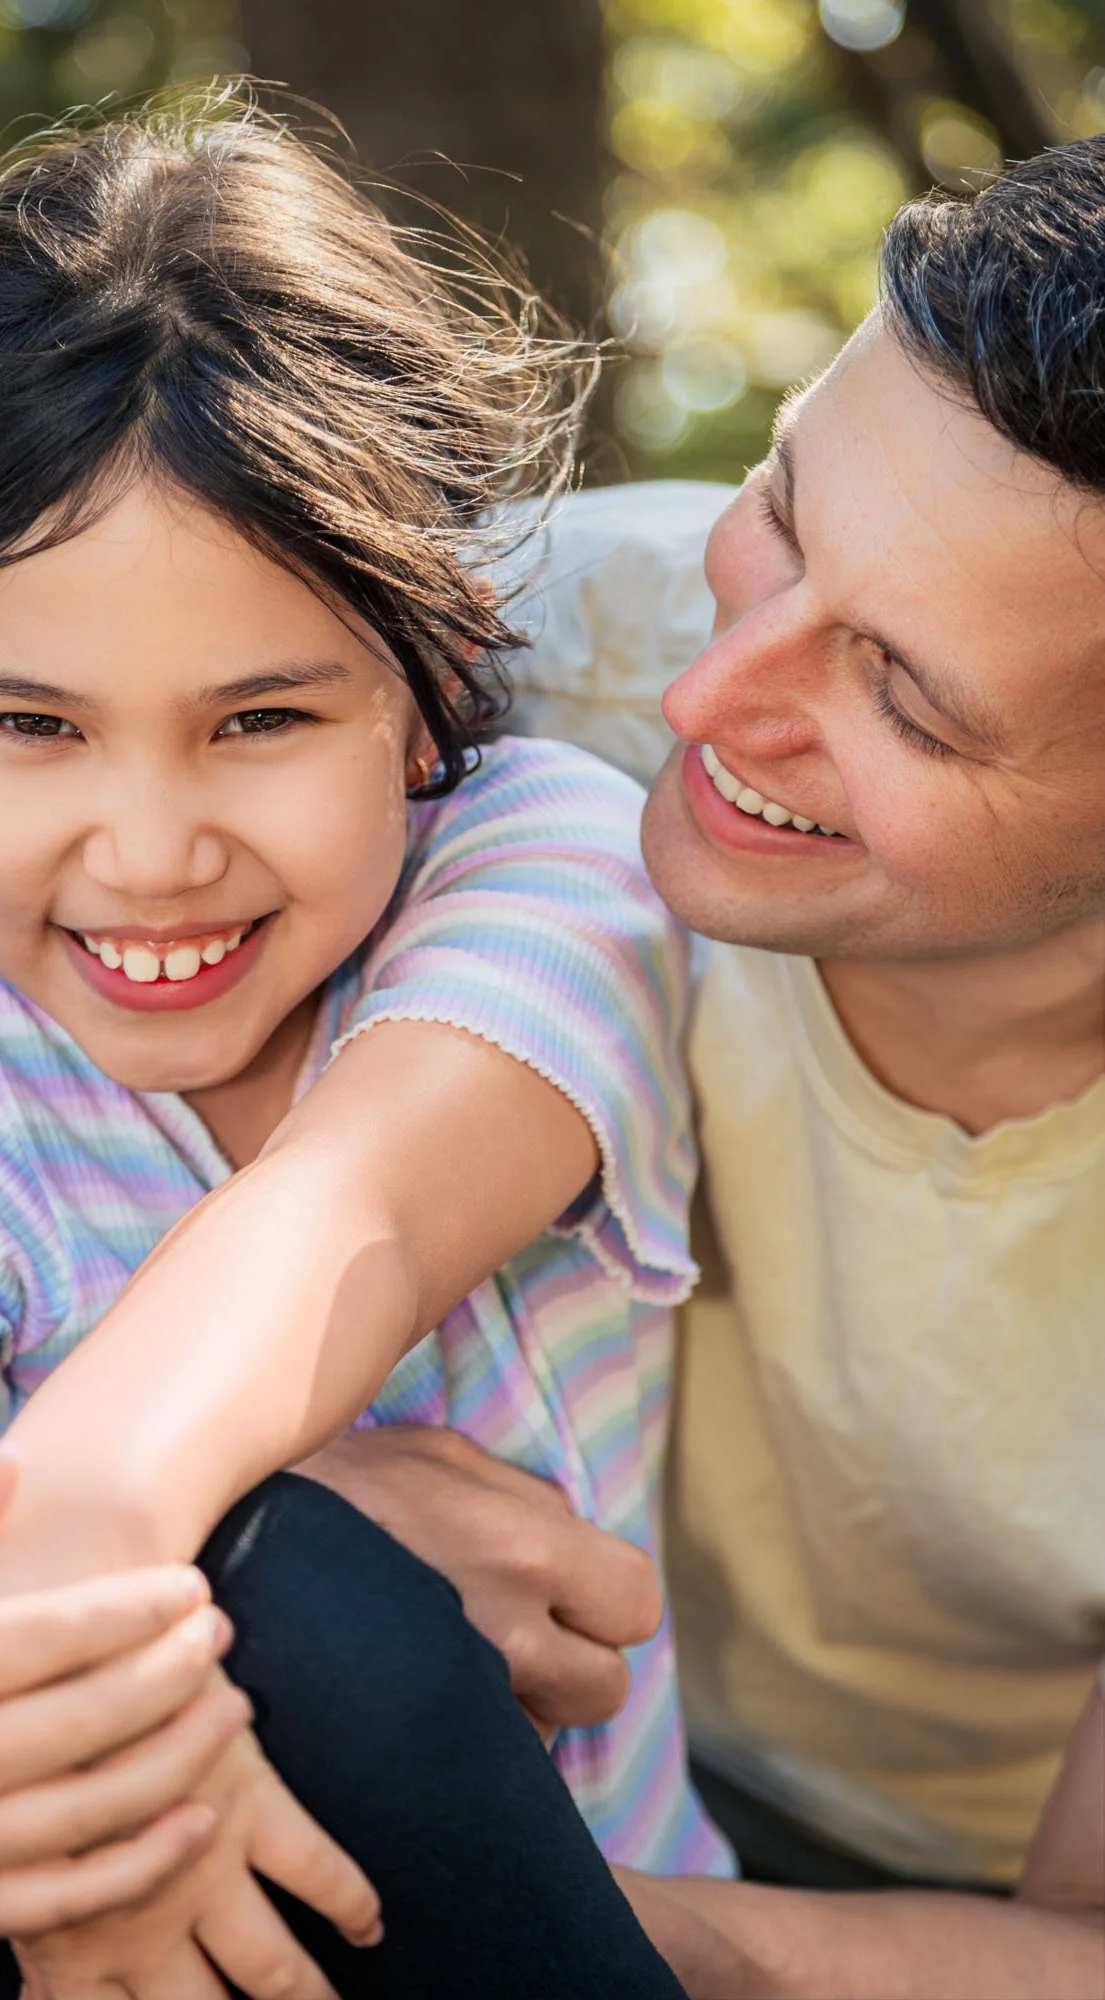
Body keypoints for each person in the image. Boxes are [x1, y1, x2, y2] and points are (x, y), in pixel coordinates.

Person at [0, 94, 721, 2000]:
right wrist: (75, 1786)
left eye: (262, 719)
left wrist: (96, 1607)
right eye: (30, 729)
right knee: (287, 1598)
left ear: (433, 678)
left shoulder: (538, 868)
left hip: (555, 1939)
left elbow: (344, 1222)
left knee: (293, 1603)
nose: (148, 852)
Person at [356, 142, 1105, 1997]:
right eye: (781, 504)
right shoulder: (503, 654)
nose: (709, 698)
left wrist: (485, 1911)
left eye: (907, 697)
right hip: (562, 1756)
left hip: (934, 1903)